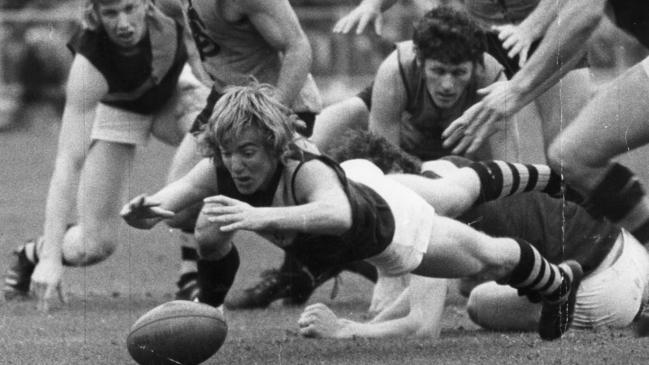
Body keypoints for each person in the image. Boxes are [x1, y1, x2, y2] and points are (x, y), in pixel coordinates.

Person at [121, 83, 586, 340]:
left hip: (390, 226)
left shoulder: (304, 168)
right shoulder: (221, 165)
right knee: (208, 223)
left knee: (489, 257)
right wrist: (147, 210)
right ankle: (209, 308)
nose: (235, 164)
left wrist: (258, 217)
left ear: (273, 145)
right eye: (227, 152)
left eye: (247, 152)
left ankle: (558, 281)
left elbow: (337, 215)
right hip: (353, 203)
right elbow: (175, 194)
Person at [243, 6, 521, 310]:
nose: (447, 84)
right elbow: (384, 171)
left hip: (458, 157)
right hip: (401, 153)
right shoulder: (396, 70)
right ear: (420, 60)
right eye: (438, 71)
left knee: (480, 197)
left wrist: (503, 256)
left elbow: (509, 168)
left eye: (458, 73)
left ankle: (334, 259)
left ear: (475, 67)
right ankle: (302, 265)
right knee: (317, 139)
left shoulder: (493, 79)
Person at [297, 138, 649, 338]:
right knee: (467, 276)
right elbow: (435, 278)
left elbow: (423, 326)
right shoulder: (443, 170)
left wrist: (345, 329)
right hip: (626, 252)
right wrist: (373, 324)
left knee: (478, 300)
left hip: (606, 287)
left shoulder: (413, 210)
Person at [3, 0, 209, 312]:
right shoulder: (89, 64)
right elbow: (68, 162)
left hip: (171, 96)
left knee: (211, 131)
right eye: (111, 13)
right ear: (94, 14)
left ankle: (192, 273)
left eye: (130, 8)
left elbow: (209, 62)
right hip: (119, 109)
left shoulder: (172, 8)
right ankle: (31, 253)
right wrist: (49, 258)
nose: (123, 23)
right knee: (93, 246)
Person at [165, 0, 339, 305]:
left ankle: (325, 255)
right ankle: (307, 261)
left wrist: (272, 116)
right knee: (178, 209)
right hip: (224, 102)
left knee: (240, 205)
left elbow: (299, 47)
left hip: (276, 107)